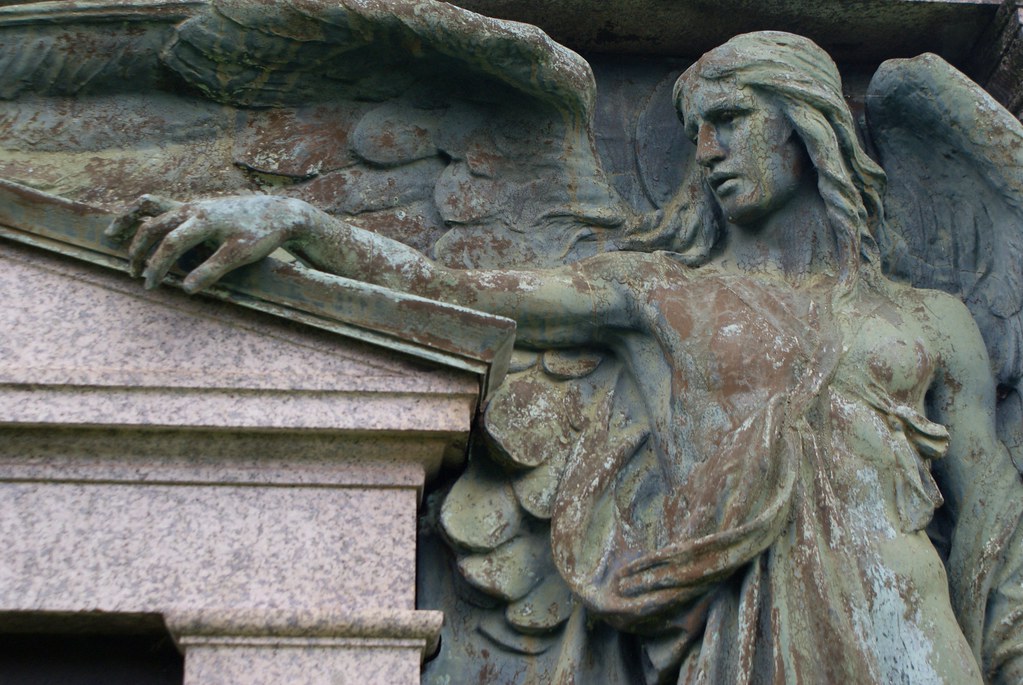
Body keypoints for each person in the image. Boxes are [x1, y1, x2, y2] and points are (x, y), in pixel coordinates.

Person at [110, 31, 1023, 684]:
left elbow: (989, 514)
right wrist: (303, 223)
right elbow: (458, 292)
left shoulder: (931, 319)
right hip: (741, 619)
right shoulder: (658, 294)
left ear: (805, 126)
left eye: (731, 120)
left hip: (905, 614)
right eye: (695, 128)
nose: (704, 152)